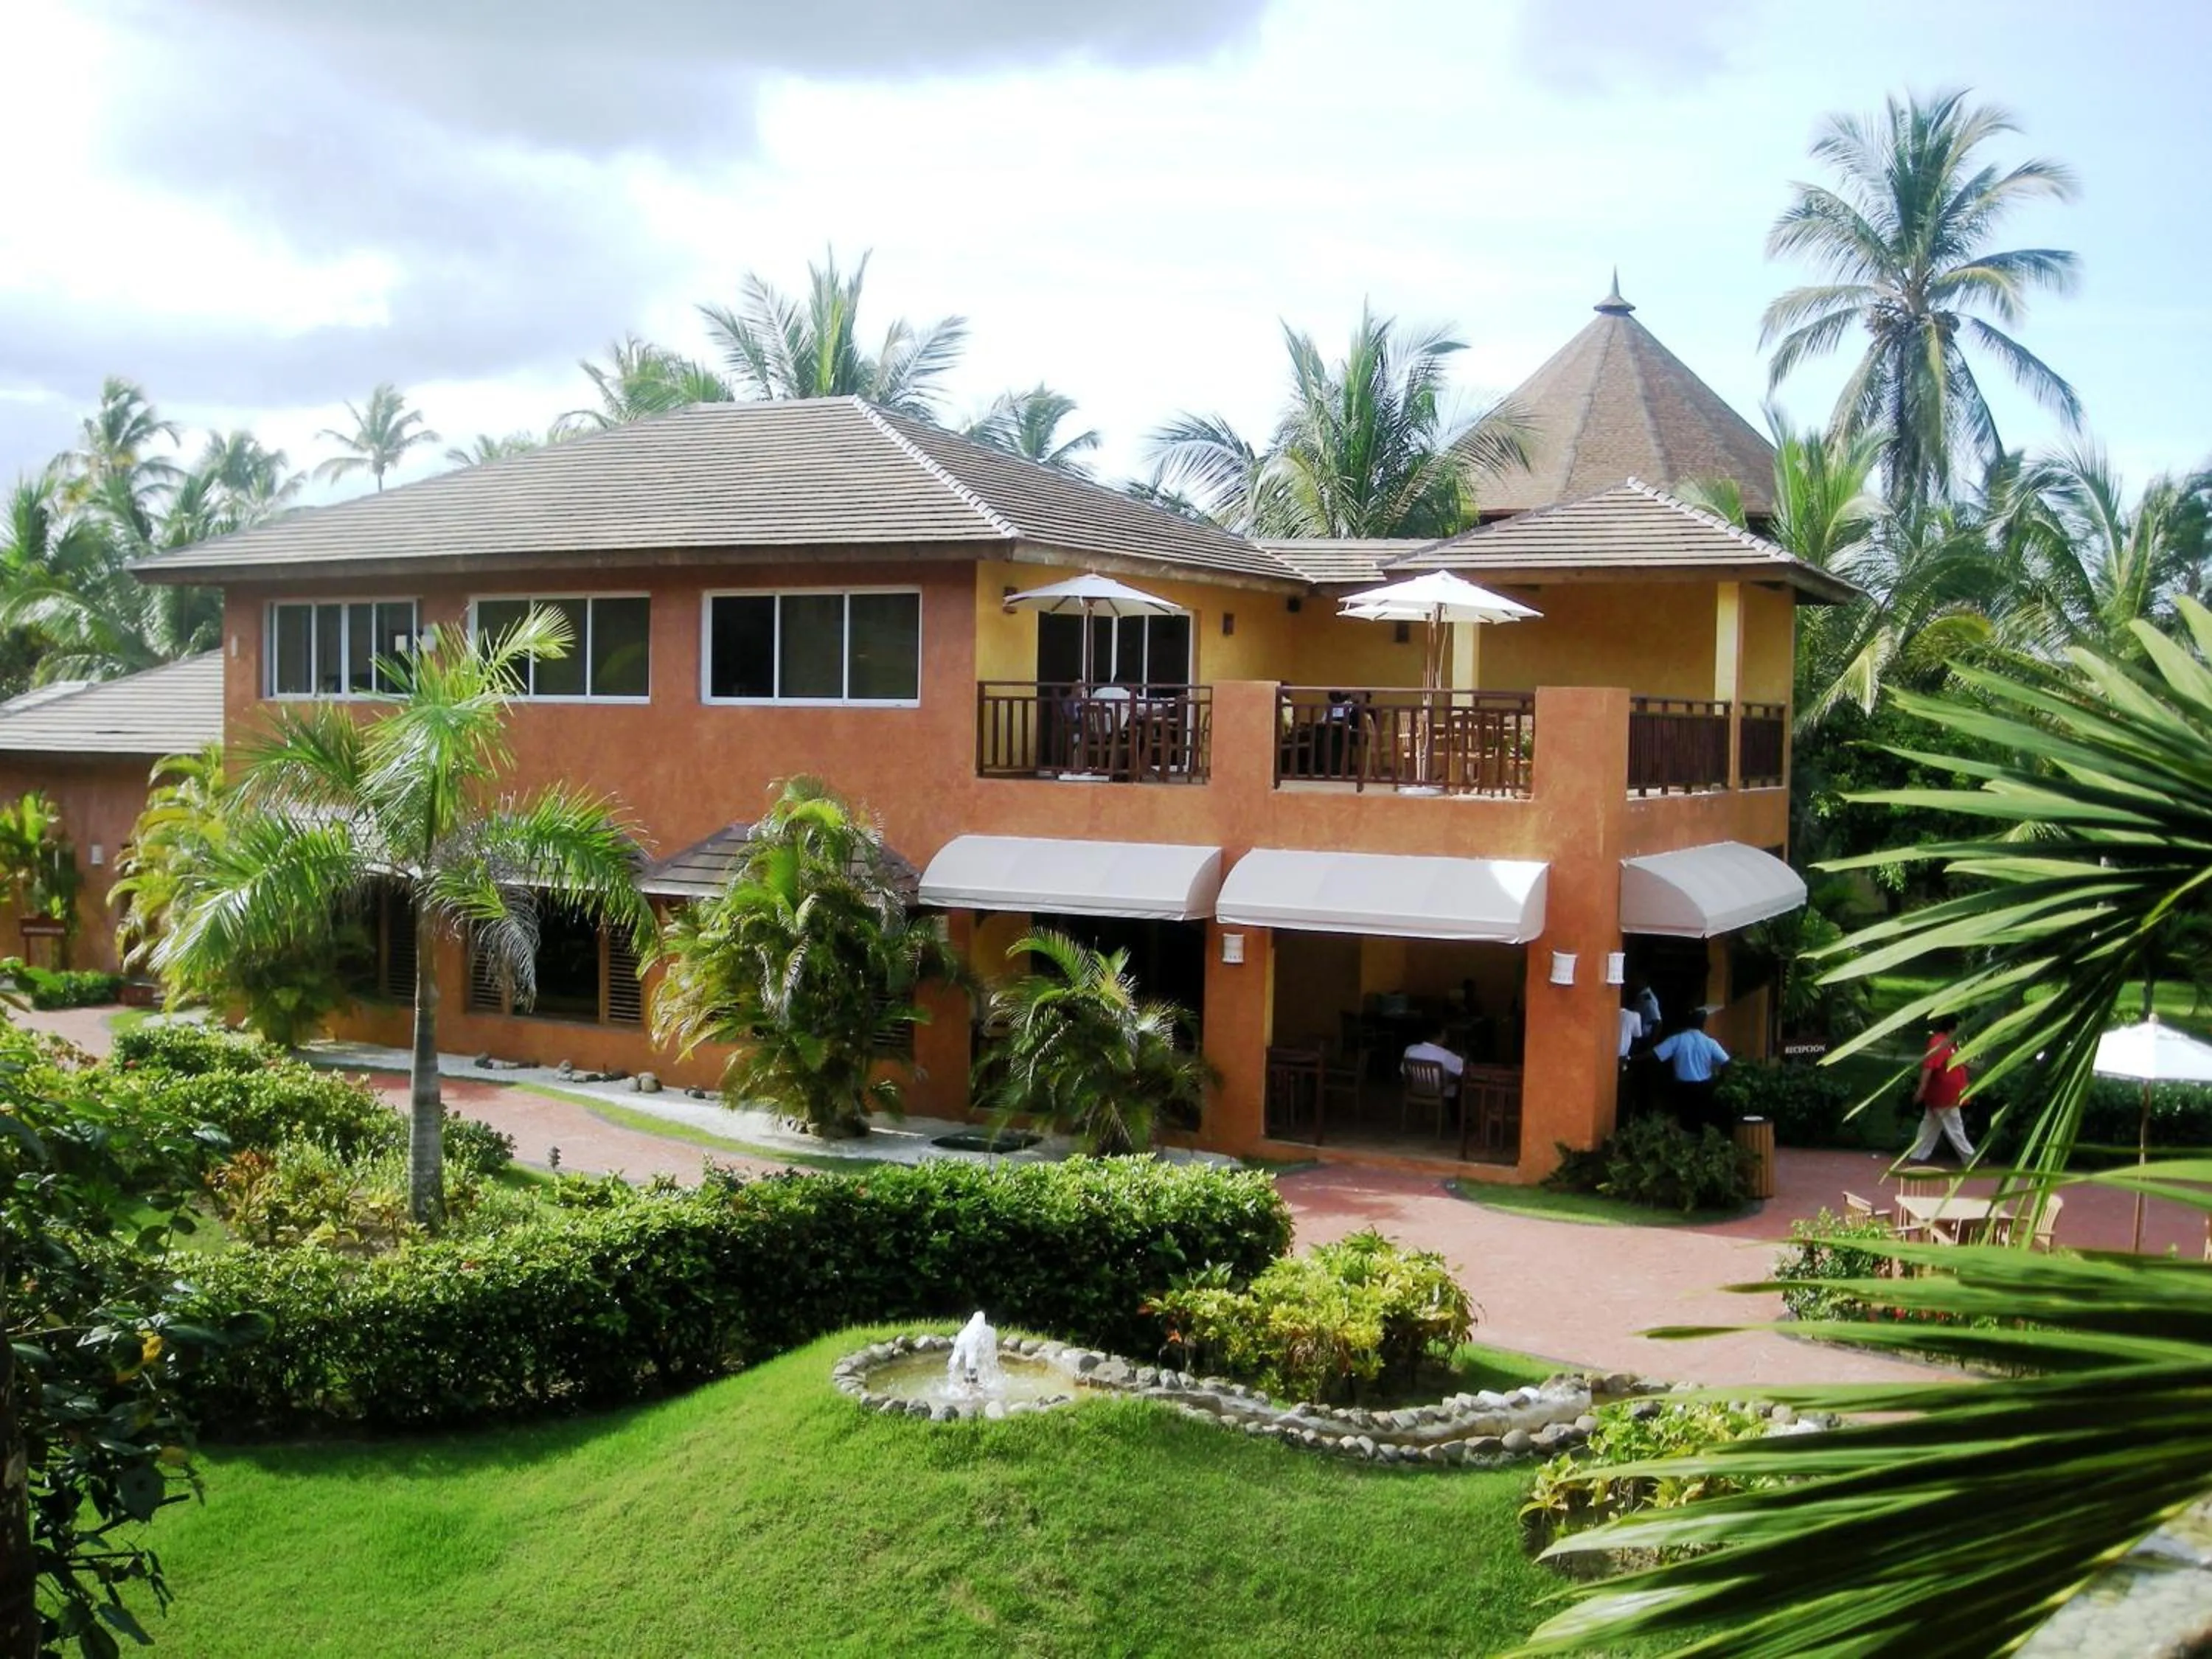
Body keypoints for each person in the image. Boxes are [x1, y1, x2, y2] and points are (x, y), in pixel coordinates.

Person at [1905, 1013, 1975, 1162]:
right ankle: (1971, 1158)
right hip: (1944, 1095)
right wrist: (1921, 1089)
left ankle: (1918, 1156)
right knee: (1955, 1127)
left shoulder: (1950, 1043)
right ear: (1951, 1029)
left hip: (1945, 1094)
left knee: (1929, 1126)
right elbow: (1929, 1067)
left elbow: (1954, 1060)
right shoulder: (1939, 1042)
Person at [1652, 1008, 1731, 1133]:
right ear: (1703, 1025)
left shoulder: (1677, 1040)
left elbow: (1657, 1055)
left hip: (1683, 1088)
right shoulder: (1709, 1042)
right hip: (1705, 1087)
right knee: (1701, 1121)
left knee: (1685, 1121)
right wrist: (1720, 1080)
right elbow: (1726, 1062)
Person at [1402, 1026, 1465, 1101]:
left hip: (1414, 1089)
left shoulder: (1409, 1050)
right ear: (1441, 1036)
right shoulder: (1445, 1055)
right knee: (1458, 1080)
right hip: (1438, 1091)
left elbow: (1403, 1072)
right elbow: (1463, 1069)